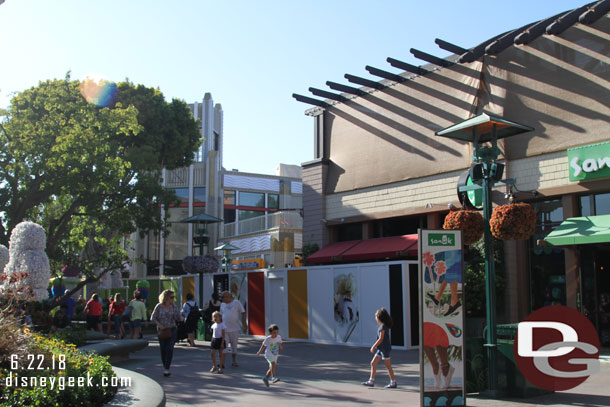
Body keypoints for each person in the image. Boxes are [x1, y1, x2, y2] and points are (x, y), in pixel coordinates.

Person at [151, 289, 183, 377]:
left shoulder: (173, 306)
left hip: (172, 329)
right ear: (166, 297)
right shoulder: (159, 306)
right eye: (172, 297)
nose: (173, 299)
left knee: (169, 348)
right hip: (162, 330)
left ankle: (167, 368)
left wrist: (180, 318)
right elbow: (153, 317)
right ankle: (165, 365)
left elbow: (177, 316)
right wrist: (159, 325)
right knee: (163, 349)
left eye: (173, 297)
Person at [361, 308, 396, 388]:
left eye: (376, 316)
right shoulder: (382, 326)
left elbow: (381, 338)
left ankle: (393, 382)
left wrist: (373, 346)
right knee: (373, 363)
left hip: (384, 349)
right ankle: (371, 381)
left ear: (380, 317)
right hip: (381, 349)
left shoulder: (382, 327)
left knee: (388, 366)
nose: (375, 318)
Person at [219, 290, 246, 367]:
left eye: (223, 297)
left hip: (234, 328)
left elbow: (243, 312)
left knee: (234, 346)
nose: (222, 299)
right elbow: (221, 316)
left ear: (228, 296)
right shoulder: (222, 305)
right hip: (225, 329)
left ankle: (234, 361)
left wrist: (244, 323)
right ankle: (222, 363)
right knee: (224, 346)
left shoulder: (236, 303)